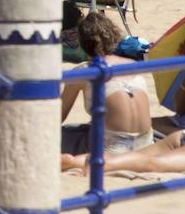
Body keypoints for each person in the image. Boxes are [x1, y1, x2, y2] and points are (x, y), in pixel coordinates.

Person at [60, 12, 152, 154]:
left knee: (62, 135)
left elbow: (59, 115)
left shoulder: (85, 71)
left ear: (82, 43)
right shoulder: (133, 64)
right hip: (146, 143)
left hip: (111, 149)